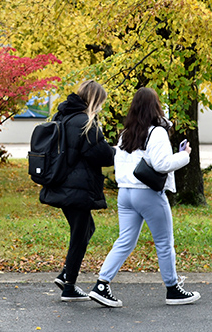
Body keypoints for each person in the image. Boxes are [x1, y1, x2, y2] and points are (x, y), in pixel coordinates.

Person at [88, 87, 200, 308]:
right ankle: (172, 289)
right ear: (155, 107)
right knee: (164, 243)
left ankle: (101, 284)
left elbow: (118, 162)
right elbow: (162, 165)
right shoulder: (156, 132)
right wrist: (184, 156)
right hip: (147, 193)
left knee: (124, 241)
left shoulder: (125, 133)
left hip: (125, 193)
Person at [39, 80, 115, 302]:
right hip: (76, 189)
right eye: (100, 102)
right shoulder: (85, 122)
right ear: (94, 100)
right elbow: (102, 155)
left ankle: (66, 276)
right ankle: (68, 284)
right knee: (80, 234)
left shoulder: (62, 116)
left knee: (85, 229)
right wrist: (113, 148)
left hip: (60, 183)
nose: (101, 107)